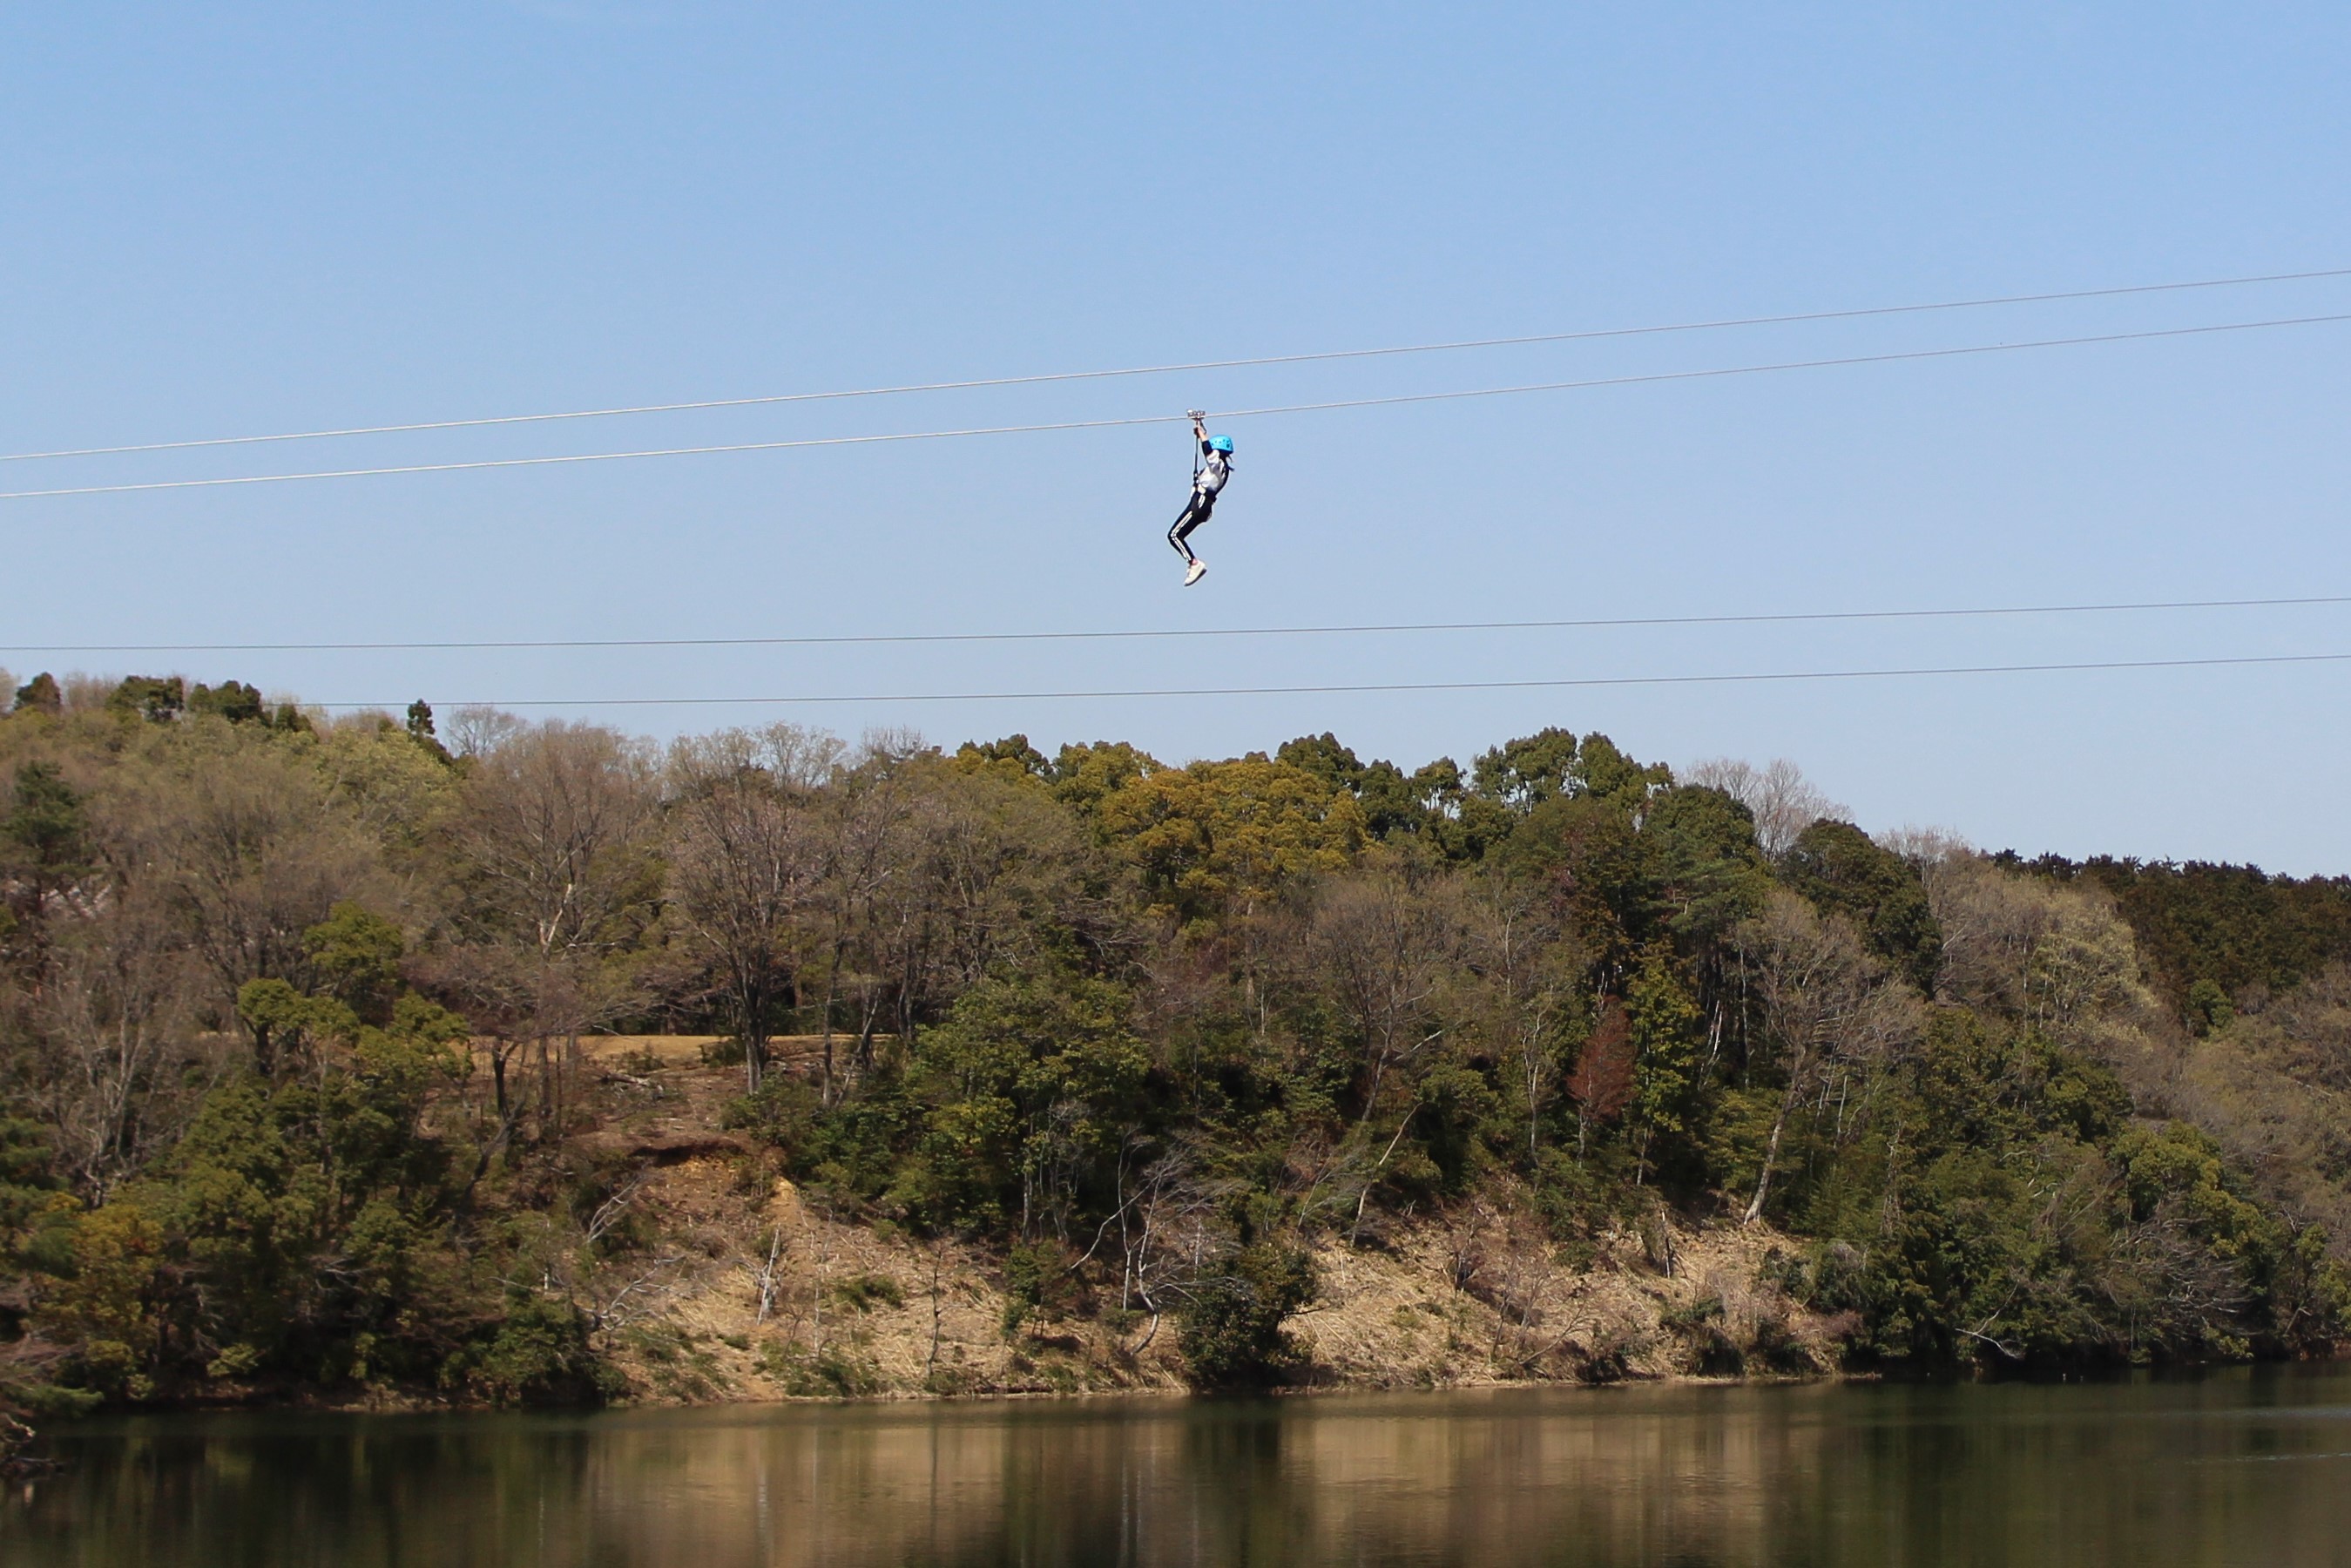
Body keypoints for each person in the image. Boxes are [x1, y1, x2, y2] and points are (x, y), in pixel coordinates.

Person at [1167, 411, 1233, 586]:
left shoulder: (1218, 464)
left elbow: (1208, 452)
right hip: (1202, 504)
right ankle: (1193, 563)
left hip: (1201, 503)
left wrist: (1202, 435)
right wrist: (1200, 427)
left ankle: (1194, 563)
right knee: (1176, 535)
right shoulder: (1219, 469)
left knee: (1174, 535)